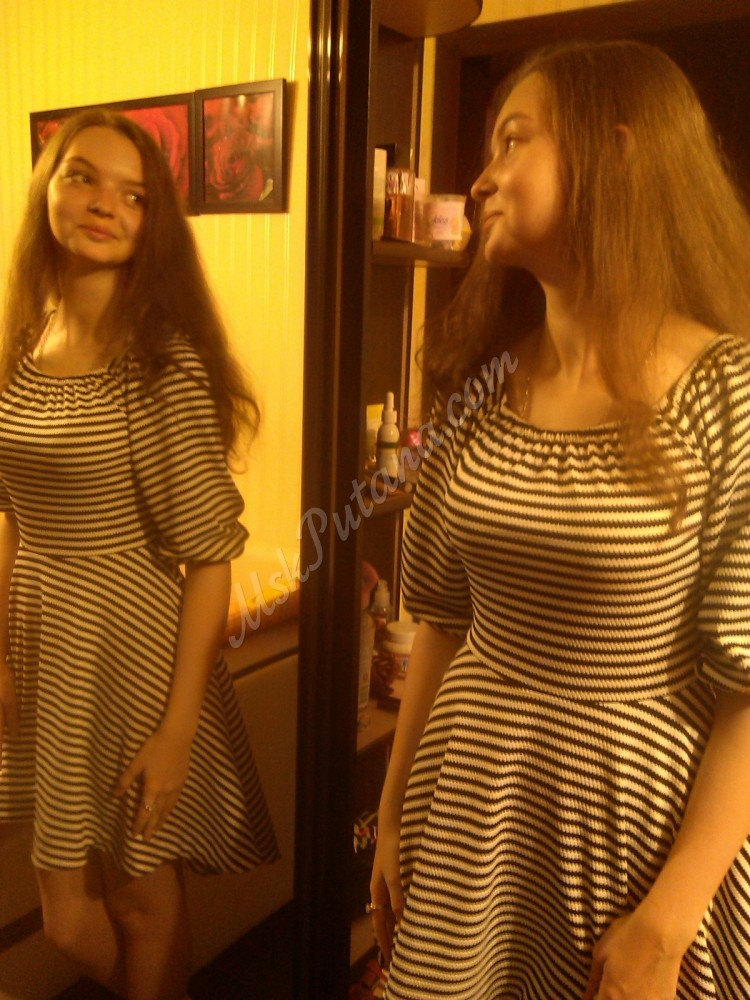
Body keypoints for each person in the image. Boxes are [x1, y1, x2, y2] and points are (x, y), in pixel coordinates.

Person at [369, 38, 750, 1000]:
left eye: (513, 140)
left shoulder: (730, 394)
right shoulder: (481, 386)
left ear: (616, 153)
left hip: (632, 831)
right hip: (469, 808)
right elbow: (442, 622)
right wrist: (395, 811)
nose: (481, 179)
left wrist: (668, 922)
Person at [0, 109, 279, 1000]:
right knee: (68, 911)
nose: (104, 204)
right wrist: (2, 651)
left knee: (136, 899)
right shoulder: (21, 344)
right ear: (47, 187)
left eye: (134, 195)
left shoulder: (162, 365)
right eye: (82, 176)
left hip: (133, 655)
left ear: (154, 224)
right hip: (48, 647)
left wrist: (177, 730)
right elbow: (10, 516)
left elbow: (209, 559)